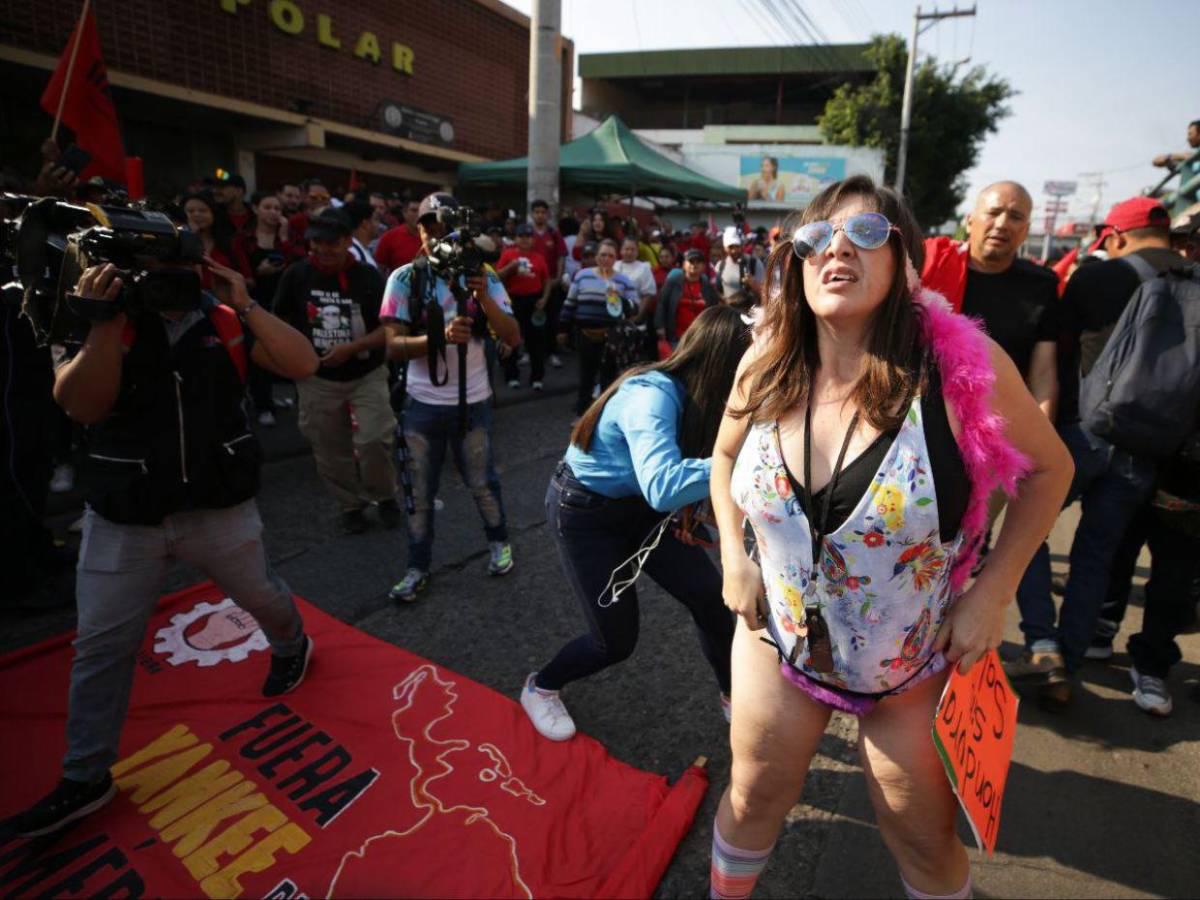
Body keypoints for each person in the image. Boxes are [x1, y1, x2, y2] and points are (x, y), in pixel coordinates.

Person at [709, 176, 1071, 900]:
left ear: (907, 267)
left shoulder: (961, 371)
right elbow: (722, 457)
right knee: (753, 796)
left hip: (908, 665)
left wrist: (992, 594)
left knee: (921, 836)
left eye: (867, 233)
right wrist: (732, 556)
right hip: (777, 640)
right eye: (817, 237)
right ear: (796, 263)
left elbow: (1050, 470)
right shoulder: (765, 359)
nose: (837, 248)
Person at [5, 251, 321, 838]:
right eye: (151, 267)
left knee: (261, 596)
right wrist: (103, 320)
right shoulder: (102, 317)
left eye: (177, 262)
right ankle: (85, 775)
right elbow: (79, 404)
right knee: (100, 645)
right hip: (125, 517)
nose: (167, 281)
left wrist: (245, 302)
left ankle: (291, 644)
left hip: (218, 506)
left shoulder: (223, 318)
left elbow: (304, 362)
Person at [521, 305, 750, 740]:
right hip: (586, 515)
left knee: (710, 599)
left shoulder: (701, 400)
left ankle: (732, 696)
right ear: (723, 364)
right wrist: (747, 459)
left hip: (641, 509)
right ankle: (542, 685)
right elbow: (664, 484)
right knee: (614, 641)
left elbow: (680, 479)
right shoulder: (652, 394)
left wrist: (690, 513)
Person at [1011, 197, 1182, 708]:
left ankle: (1043, 645)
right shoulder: (1192, 282)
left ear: (1116, 237)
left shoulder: (1096, 277)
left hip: (1083, 433)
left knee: (1027, 529)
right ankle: (1071, 657)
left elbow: (1057, 353)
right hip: (1147, 447)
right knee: (1096, 556)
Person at [379, 192, 522, 602]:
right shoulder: (405, 278)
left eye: (444, 227)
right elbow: (391, 346)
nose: (436, 234)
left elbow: (512, 335)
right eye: (428, 225)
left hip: (473, 404)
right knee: (418, 492)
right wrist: (436, 339)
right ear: (419, 230)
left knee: (482, 482)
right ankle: (417, 566)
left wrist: (483, 297)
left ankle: (499, 542)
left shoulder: (483, 274)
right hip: (420, 406)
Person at [271, 207, 398, 534]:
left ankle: (385, 496)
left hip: (367, 373)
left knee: (374, 439)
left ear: (347, 241)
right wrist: (292, 360)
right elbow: (277, 323)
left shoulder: (369, 277)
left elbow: (390, 328)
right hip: (317, 379)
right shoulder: (296, 275)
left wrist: (352, 349)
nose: (323, 250)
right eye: (316, 243)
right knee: (329, 448)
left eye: (332, 243)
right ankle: (350, 506)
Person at [559, 239, 639, 417]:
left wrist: (620, 299)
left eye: (610, 256)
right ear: (596, 257)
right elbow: (570, 304)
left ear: (615, 258)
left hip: (611, 337)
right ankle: (582, 416)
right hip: (585, 335)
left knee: (608, 379)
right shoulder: (582, 276)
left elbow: (635, 308)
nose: (606, 259)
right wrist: (562, 329)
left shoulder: (623, 281)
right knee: (586, 377)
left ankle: (604, 418)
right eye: (603, 255)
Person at [236, 191, 295, 427]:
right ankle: (262, 405)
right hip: (253, 303)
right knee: (257, 353)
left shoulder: (285, 237)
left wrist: (284, 237)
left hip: (280, 304)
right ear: (256, 209)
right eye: (268, 207)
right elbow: (241, 273)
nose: (273, 213)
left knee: (276, 353)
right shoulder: (244, 239)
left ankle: (269, 398)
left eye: (277, 209)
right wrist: (257, 273)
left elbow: (296, 263)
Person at [497, 223, 552, 390]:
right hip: (513, 300)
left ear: (532, 239)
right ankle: (512, 375)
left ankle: (537, 377)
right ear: (515, 238)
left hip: (534, 301)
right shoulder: (508, 254)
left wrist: (544, 299)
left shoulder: (539, 257)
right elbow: (496, 277)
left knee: (536, 341)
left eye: (528, 236)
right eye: (521, 236)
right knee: (511, 338)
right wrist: (511, 267)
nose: (525, 240)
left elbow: (547, 280)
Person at [183, 191, 252, 287]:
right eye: (190, 211)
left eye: (203, 211)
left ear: (213, 213)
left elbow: (249, 280)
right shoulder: (179, 242)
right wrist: (191, 236)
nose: (196, 215)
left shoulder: (232, 242)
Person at [529, 199, 568, 369]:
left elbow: (561, 256)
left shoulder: (554, 233)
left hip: (551, 283)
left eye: (543, 212)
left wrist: (558, 277)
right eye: (537, 212)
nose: (540, 215)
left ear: (548, 214)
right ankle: (529, 352)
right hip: (531, 282)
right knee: (530, 318)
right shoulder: (527, 233)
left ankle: (552, 353)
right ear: (532, 214)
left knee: (552, 319)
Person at [657, 247, 720, 349]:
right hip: (677, 337)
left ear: (704, 266)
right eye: (691, 261)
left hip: (701, 337)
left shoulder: (707, 285)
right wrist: (660, 326)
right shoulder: (673, 282)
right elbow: (661, 304)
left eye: (698, 262)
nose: (694, 264)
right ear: (683, 265)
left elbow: (714, 308)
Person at [1152, 119, 1200, 216]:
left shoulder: (1191, 157)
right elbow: (1156, 161)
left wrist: (1181, 156)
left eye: (1190, 134)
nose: (1188, 138)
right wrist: (1170, 158)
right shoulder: (1190, 161)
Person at [375, 195, 423, 274]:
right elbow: (379, 270)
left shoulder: (434, 238)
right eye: (414, 210)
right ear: (404, 213)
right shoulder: (389, 238)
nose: (418, 214)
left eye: (421, 211)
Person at [716, 226, 765, 302]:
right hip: (729, 308)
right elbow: (717, 292)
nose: (734, 250)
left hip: (751, 308)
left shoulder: (754, 263)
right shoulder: (720, 266)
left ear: (742, 246)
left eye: (737, 246)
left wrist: (752, 284)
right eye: (731, 247)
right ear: (725, 247)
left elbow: (765, 293)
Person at [615, 237, 657, 322]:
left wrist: (637, 316)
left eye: (633, 249)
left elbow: (648, 295)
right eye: (627, 249)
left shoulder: (644, 268)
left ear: (637, 252)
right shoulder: (614, 265)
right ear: (621, 250)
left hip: (634, 313)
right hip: (614, 312)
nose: (629, 252)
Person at [345, 200, 381, 271]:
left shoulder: (359, 249)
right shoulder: (353, 253)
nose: (379, 225)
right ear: (365, 224)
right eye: (376, 219)